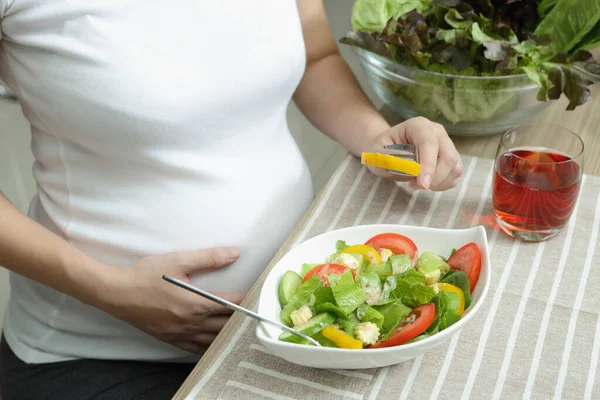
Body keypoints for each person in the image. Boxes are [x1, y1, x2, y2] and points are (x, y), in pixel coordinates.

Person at [0, 0, 464, 398]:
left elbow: (316, 54)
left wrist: (376, 139)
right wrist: (112, 292)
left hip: (290, 327)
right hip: (99, 352)